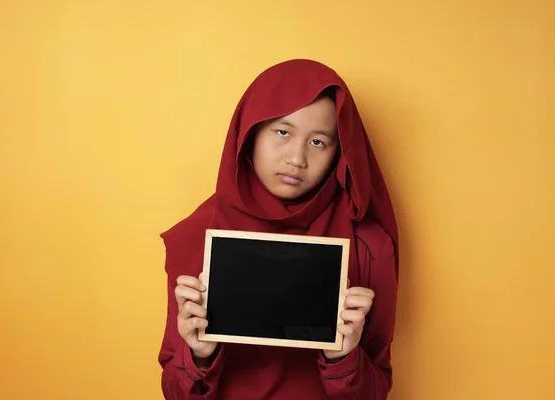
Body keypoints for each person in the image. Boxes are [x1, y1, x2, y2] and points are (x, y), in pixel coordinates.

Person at [158, 59, 399, 399]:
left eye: (319, 142)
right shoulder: (197, 236)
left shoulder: (369, 246)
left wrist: (343, 356)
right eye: (283, 132)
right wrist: (198, 354)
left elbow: (376, 390)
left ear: (339, 153)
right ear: (249, 133)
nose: (297, 159)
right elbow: (175, 391)